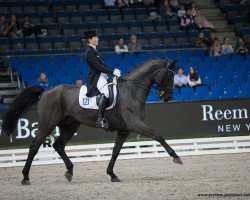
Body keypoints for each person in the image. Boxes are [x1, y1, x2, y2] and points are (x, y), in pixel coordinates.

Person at [83, 29, 121, 129]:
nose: (98, 39)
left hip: (102, 75)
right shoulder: (89, 51)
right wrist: (112, 71)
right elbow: (98, 67)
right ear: (90, 40)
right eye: (95, 38)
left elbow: (103, 65)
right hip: (96, 77)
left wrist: (113, 69)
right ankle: (100, 119)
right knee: (106, 93)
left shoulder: (95, 50)